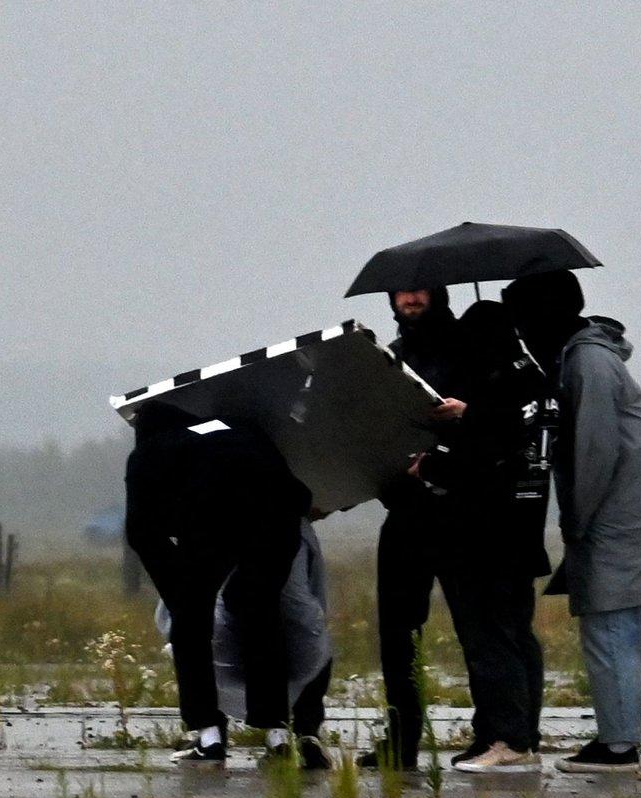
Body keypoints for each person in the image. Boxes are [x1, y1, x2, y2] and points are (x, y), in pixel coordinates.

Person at [503, 269, 641, 774]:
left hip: (609, 521)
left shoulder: (588, 363)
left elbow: (594, 452)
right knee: (616, 630)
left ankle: (617, 747)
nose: (521, 333)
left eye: (523, 319)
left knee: (610, 631)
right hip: (620, 518)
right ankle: (618, 738)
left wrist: (577, 521)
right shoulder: (588, 357)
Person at [124, 406, 311, 764]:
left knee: (190, 627)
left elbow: (141, 533)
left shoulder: (149, 452)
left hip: (209, 521)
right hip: (276, 518)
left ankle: (209, 737)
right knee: (261, 614)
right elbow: (298, 497)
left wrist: (178, 596)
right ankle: (277, 735)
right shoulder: (240, 428)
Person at [417, 300, 553, 773]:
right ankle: (522, 735)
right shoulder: (535, 379)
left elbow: (484, 455)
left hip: (482, 536)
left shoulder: (497, 385)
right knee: (517, 635)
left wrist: (429, 464)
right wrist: (469, 411)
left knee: (488, 637)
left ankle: (506, 738)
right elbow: (512, 433)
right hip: (523, 531)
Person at [359, 286, 470, 771]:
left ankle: (497, 736)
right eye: (402, 292)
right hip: (406, 510)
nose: (410, 299)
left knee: (477, 627)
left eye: (419, 290)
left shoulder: (467, 346)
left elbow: (486, 418)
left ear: (438, 294)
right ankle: (402, 741)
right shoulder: (393, 356)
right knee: (397, 633)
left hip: (461, 508)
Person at [157, 515, 336, 770]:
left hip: (223, 529)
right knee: (302, 623)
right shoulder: (294, 523)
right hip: (282, 527)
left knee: (197, 620)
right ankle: (299, 732)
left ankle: (211, 733)